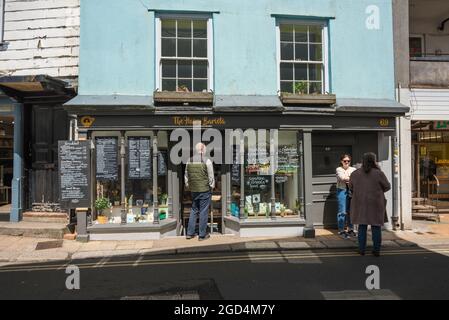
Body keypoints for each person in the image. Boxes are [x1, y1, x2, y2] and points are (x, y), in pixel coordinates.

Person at [349, 152, 391, 257]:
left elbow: (351, 187)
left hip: (360, 203)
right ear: (374, 161)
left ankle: (361, 250)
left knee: (362, 227)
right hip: (376, 204)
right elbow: (387, 186)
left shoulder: (355, 173)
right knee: (376, 227)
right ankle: (376, 250)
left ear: (363, 161)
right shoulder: (379, 173)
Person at [185, 143, 215, 241]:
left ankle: (189, 233)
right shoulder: (207, 160)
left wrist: (188, 186)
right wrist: (212, 186)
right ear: (203, 150)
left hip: (194, 190)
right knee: (203, 211)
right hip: (204, 190)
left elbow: (186, 175)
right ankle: (202, 235)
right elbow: (211, 177)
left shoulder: (189, 160)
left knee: (194, 210)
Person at [336, 154, 357, 239]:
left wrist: (349, 179)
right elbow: (342, 178)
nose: (347, 162)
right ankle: (341, 230)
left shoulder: (353, 169)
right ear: (341, 161)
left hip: (351, 191)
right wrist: (350, 178)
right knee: (342, 211)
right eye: (345, 161)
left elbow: (356, 179)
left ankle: (350, 229)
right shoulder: (339, 169)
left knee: (351, 211)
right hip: (342, 190)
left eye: (348, 161)